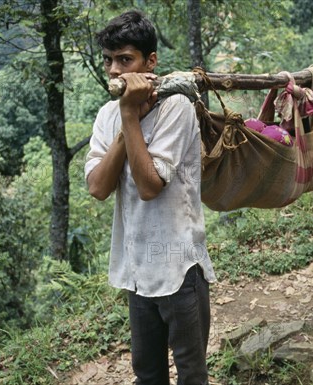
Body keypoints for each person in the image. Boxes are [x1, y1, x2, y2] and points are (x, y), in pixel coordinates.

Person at [84, 10, 216, 385]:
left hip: (179, 266)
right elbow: (97, 187)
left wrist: (129, 117)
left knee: (191, 373)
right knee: (148, 373)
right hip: (138, 269)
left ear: (150, 62)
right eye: (109, 60)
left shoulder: (177, 108)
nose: (113, 70)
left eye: (125, 60)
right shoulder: (107, 115)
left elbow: (149, 186)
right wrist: (126, 118)